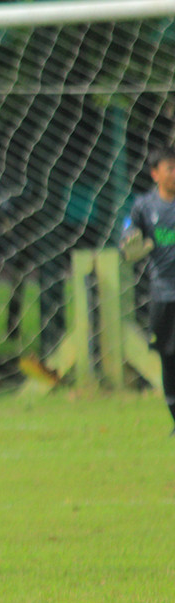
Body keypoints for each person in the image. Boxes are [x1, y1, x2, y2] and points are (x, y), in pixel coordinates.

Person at [121, 145, 175, 433]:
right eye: (171, 168)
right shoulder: (144, 206)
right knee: (169, 357)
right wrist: (128, 239)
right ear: (155, 174)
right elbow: (129, 230)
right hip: (163, 294)